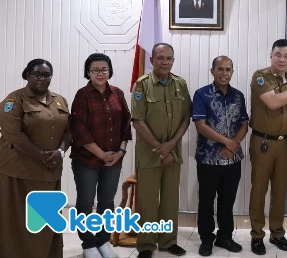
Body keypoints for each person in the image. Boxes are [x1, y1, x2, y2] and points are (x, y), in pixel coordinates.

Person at [0, 59, 71, 258]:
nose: (42, 78)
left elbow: (68, 132)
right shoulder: (14, 101)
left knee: (44, 221)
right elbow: (13, 135)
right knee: (18, 221)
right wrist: (41, 156)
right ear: (27, 75)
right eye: (37, 74)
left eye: (47, 75)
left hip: (49, 172)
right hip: (18, 171)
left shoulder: (60, 100)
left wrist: (61, 152)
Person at [131, 43, 192, 258]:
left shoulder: (181, 85)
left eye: (169, 58)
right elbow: (137, 120)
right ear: (152, 60)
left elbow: (186, 118)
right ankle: (147, 245)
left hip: (172, 154)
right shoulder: (142, 85)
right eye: (160, 58)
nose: (165, 62)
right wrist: (159, 148)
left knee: (170, 200)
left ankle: (167, 241)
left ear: (173, 61)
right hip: (149, 155)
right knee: (147, 201)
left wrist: (171, 145)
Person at [71, 53, 133, 258]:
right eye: (95, 70)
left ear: (110, 71)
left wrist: (120, 152)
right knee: (86, 203)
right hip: (87, 160)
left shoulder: (118, 93)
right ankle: (88, 243)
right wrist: (101, 154)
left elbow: (126, 124)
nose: (100, 73)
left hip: (114, 159)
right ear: (88, 72)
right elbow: (79, 130)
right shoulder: (82, 95)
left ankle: (103, 240)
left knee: (107, 202)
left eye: (104, 69)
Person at [248, 39, 287, 255]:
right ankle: (256, 235)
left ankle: (277, 233)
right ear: (271, 56)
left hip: (286, 143)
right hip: (263, 141)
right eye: (278, 55)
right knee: (259, 189)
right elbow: (273, 102)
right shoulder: (260, 76)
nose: (282, 59)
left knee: (280, 190)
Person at [193, 56, 249, 257]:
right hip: (208, 159)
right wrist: (227, 142)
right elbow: (200, 125)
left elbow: (244, 123)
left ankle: (225, 236)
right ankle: (206, 238)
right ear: (212, 71)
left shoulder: (238, 96)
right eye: (220, 69)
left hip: (233, 159)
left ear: (232, 72)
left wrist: (234, 146)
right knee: (206, 200)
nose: (224, 73)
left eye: (228, 69)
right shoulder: (201, 94)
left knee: (227, 200)